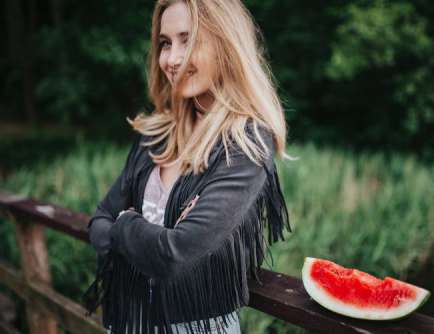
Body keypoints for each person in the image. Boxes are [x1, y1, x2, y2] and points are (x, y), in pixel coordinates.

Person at [82, 0, 294, 333]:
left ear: (226, 45)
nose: (171, 58)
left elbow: (176, 255)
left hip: (195, 327)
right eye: (165, 43)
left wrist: (124, 224)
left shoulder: (246, 144)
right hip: (129, 321)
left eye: (188, 40)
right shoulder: (157, 136)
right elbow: (97, 222)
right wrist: (145, 236)